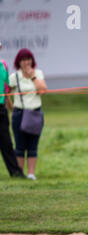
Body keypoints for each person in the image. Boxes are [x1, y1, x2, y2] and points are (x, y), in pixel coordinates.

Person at [8, 48, 47, 180]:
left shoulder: (38, 73)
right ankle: (20, 173)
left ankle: (31, 174)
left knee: (32, 145)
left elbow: (42, 91)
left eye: (28, 59)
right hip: (19, 113)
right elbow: (6, 92)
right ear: (19, 62)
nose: (26, 62)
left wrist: (33, 76)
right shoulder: (14, 77)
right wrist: (11, 107)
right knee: (19, 145)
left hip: (35, 113)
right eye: (23, 60)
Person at [0, 42, 25, 178]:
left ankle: (15, 172)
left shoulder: (3, 65)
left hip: (1, 109)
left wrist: (12, 109)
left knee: (6, 143)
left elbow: (6, 90)